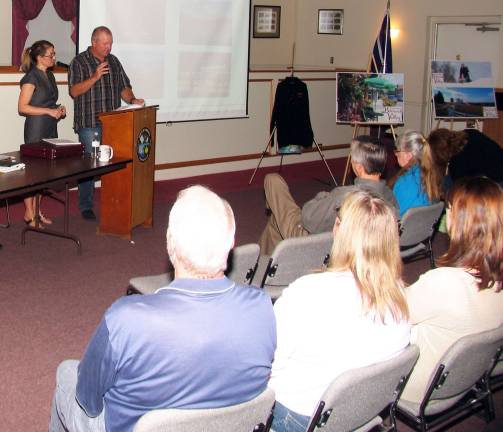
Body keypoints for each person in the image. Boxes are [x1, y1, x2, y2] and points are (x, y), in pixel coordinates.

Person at [49, 185, 276, 432]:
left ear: (170, 245)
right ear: (231, 243)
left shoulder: (127, 319)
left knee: (67, 372)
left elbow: (88, 400)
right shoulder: (262, 307)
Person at [269, 190, 411, 431]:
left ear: (339, 231)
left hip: (297, 417)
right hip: (361, 410)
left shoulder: (306, 293)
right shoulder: (402, 300)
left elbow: (269, 363)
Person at [401, 177, 503, 404]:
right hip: (466, 376)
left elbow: (391, 314)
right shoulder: (494, 281)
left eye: (449, 209)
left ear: (461, 221)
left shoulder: (444, 283)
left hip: (418, 386)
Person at [258, 135, 398, 255]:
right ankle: (266, 260)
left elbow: (307, 217)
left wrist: (322, 196)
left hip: (313, 241)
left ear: (358, 167)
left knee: (272, 180)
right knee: (275, 222)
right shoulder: (389, 197)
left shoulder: (344, 196)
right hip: (350, 246)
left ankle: (271, 211)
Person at [68, 26, 144, 220]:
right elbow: (74, 91)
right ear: (94, 42)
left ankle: (114, 200)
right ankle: (86, 206)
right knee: (90, 166)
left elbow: (124, 87)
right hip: (89, 122)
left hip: (114, 124)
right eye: (105, 43)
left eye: (110, 43)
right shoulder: (79, 62)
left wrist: (132, 100)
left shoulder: (114, 61)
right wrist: (94, 77)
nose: (109, 47)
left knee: (114, 163)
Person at [18, 40, 66, 227]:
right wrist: (48, 111)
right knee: (32, 173)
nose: (54, 57)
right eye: (50, 55)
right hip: (36, 127)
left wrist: (57, 109)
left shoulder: (50, 76)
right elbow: (22, 107)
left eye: (54, 54)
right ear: (39, 57)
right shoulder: (31, 77)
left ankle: (37, 211)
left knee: (44, 173)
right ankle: (29, 213)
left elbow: (48, 103)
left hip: (50, 127)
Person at [389, 130, 442, 218]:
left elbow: (393, 216)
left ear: (408, 156)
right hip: (423, 229)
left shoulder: (405, 182)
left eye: (398, 152)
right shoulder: (430, 175)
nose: (396, 155)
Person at [428, 127, 503, 186]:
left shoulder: (457, 165)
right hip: (496, 169)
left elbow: (460, 188)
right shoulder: (471, 133)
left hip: (496, 183)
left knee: (446, 184)